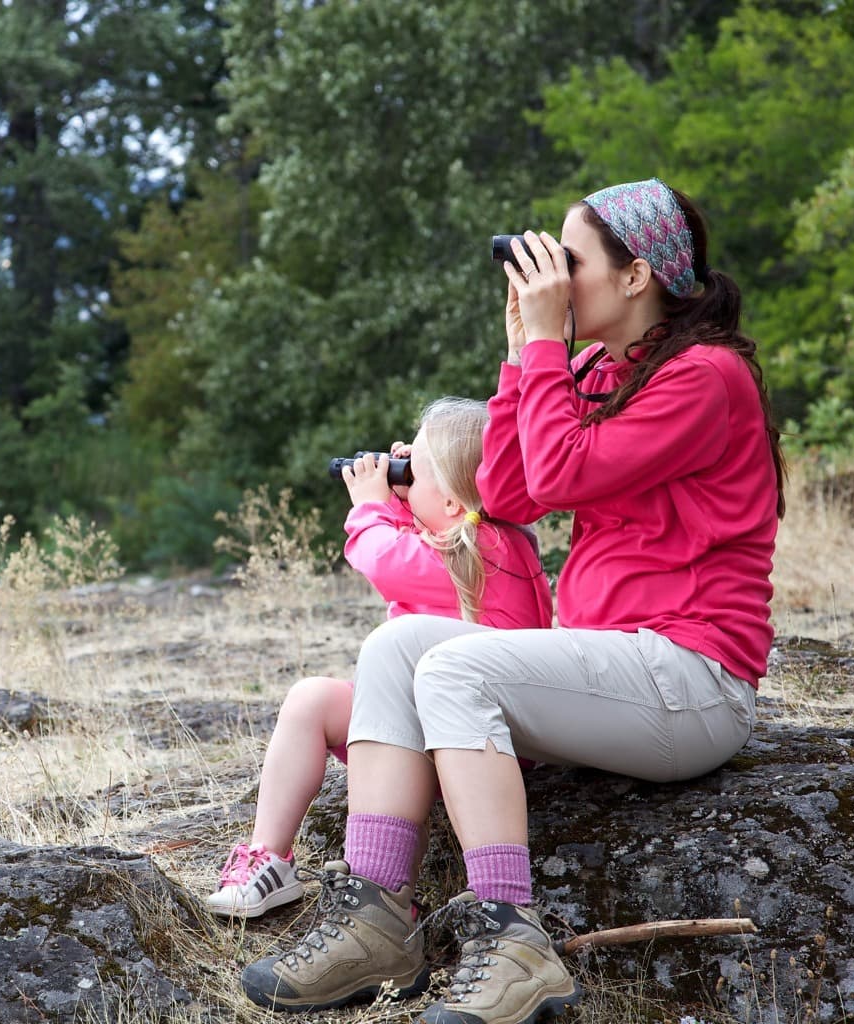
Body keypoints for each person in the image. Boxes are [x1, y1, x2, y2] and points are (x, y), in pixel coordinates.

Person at [239, 178, 785, 1024]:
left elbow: (561, 474)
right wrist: (518, 352)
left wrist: (541, 344)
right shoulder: (603, 370)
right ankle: (378, 912)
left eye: (571, 261)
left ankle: (511, 938)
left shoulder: (706, 377)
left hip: (691, 679)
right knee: (396, 647)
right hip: (621, 670)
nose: (553, 279)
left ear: (636, 276)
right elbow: (509, 491)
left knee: (456, 668)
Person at [207, 397, 551, 919]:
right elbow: (419, 539)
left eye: (418, 470)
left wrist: (371, 501)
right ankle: (267, 858)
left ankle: (369, 890)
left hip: (472, 742)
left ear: (456, 504)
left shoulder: (483, 551)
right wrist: (413, 487)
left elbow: (383, 557)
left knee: (312, 700)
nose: (404, 476)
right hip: (433, 728)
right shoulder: (484, 540)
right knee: (310, 701)